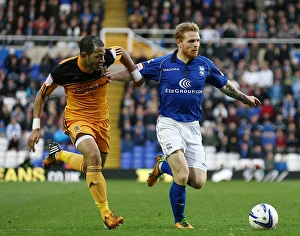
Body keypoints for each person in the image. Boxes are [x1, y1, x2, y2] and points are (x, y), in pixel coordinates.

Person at [109, 22, 261, 229]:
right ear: (179, 43)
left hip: (192, 127)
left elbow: (224, 84)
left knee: (198, 181)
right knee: (181, 174)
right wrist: (112, 77)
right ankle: (179, 221)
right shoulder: (163, 64)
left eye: (198, 40)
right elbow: (135, 72)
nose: (196, 44)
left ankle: (162, 166)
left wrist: (244, 98)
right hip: (169, 124)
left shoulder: (204, 65)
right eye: (191, 41)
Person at [27, 35, 143, 229]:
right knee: (94, 157)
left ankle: (59, 155)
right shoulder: (63, 71)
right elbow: (41, 94)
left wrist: (136, 75)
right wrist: (35, 127)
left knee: (94, 167)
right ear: (84, 55)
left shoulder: (105, 56)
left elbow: (121, 52)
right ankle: (107, 215)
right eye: (98, 57)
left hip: (102, 121)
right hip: (77, 119)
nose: (102, 60)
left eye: (103, 56)